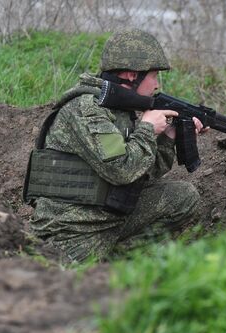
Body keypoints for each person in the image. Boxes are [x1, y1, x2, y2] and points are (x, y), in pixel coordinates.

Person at [26, 28, 206, 262]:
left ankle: (115, 261)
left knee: (183, 197)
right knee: (59, 278)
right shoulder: (87, 110)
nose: (156, 85)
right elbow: (122, 170)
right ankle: (98, 264)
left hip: (107, 216)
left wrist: (168, 136)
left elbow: (143, 173)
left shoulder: (121, 110)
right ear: (132, 75)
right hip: (72, 228)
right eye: (154, 76)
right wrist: (147, 128)